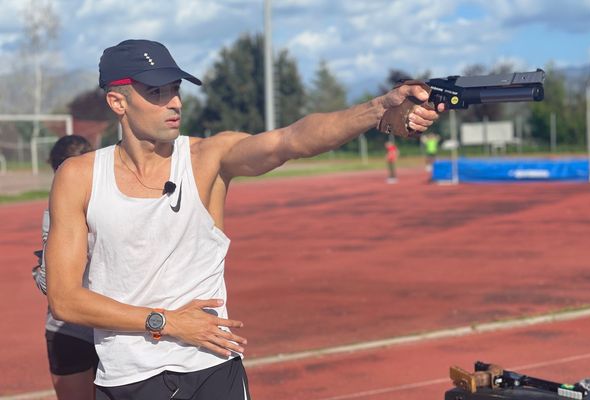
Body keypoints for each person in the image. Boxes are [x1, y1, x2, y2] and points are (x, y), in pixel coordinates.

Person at [45, 39, 442, 399]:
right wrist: (167, 322)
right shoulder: (79, 177)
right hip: (128, 379)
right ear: (118, 102)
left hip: (211, 371)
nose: (174, 103)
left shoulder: (207, 159)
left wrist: (376, 110)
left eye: (175, 90)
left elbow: (291, 140)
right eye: (155, 93)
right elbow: (65, 300)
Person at [32, 134, 97, 400]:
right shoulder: (119, 202)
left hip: (71, 329)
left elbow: (48, 284)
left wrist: (39, 271)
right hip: (120, 325)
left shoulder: (55, 212)